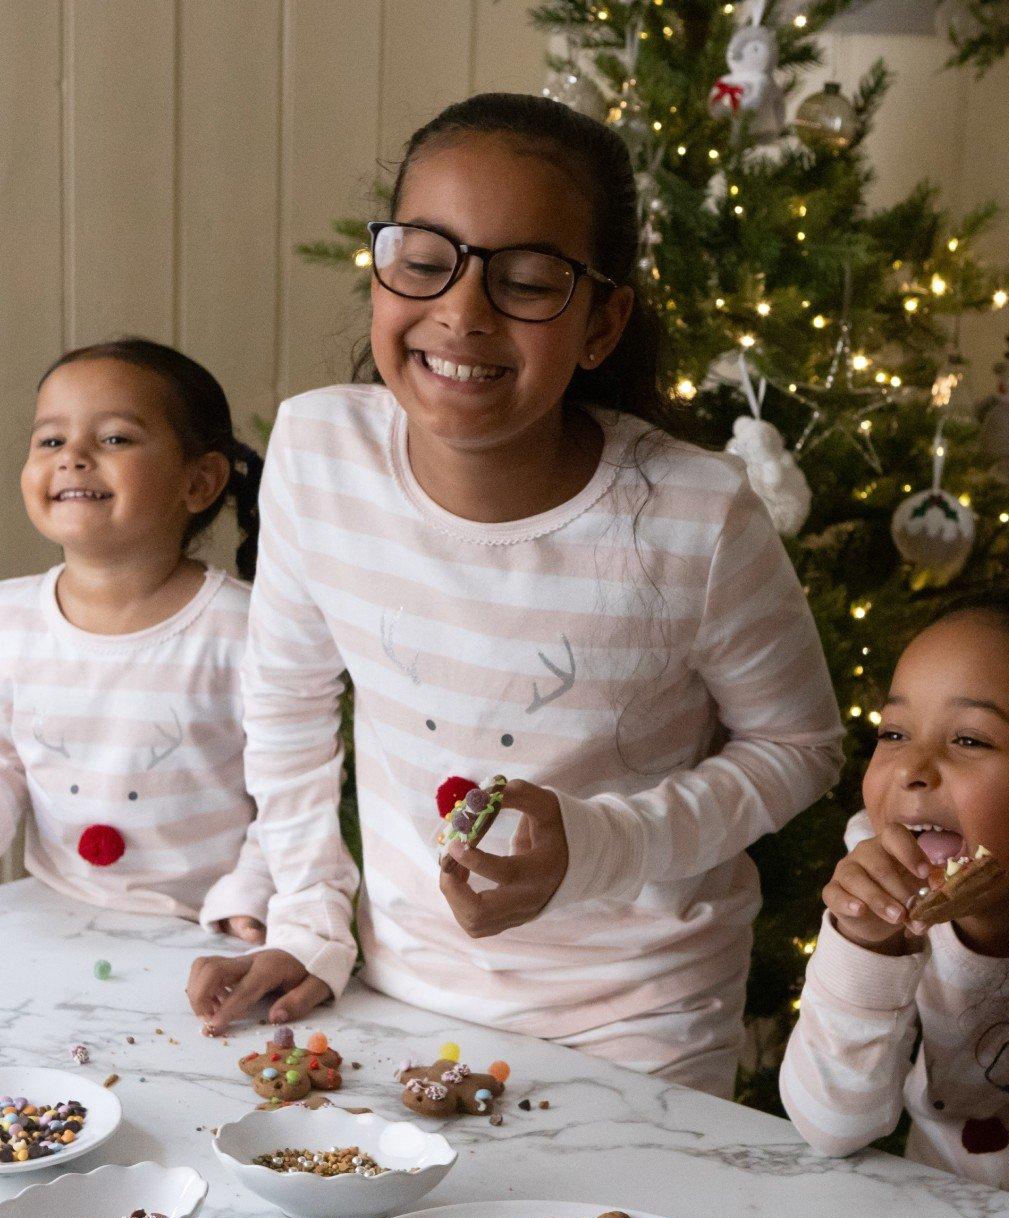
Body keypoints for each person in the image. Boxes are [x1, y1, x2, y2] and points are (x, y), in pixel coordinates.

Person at [188, 93, 841, 1089]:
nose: (461, 310)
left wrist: (603, 845)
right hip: (404, 992)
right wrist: (311, 925)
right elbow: (286, 703)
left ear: (600, 323)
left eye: (528, 279)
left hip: (641, 1021)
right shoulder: (318, 452)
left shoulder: (695, 518)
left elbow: (800, 748)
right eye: (421, 259)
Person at [780, 585, 1009, 1218]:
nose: (912, 769)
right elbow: (830, 1126)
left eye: (971, 741)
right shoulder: (879, 884)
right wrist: (864, 947)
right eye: (893, 732)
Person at [0, 337, 271, 937]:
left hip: (209, 930)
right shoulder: (9, 619)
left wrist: (249, 893)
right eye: (50, 440)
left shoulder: (242, 629)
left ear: (199, 482)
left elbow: (289, 791)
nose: (72, 456)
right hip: (55, 914)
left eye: (115, 438)